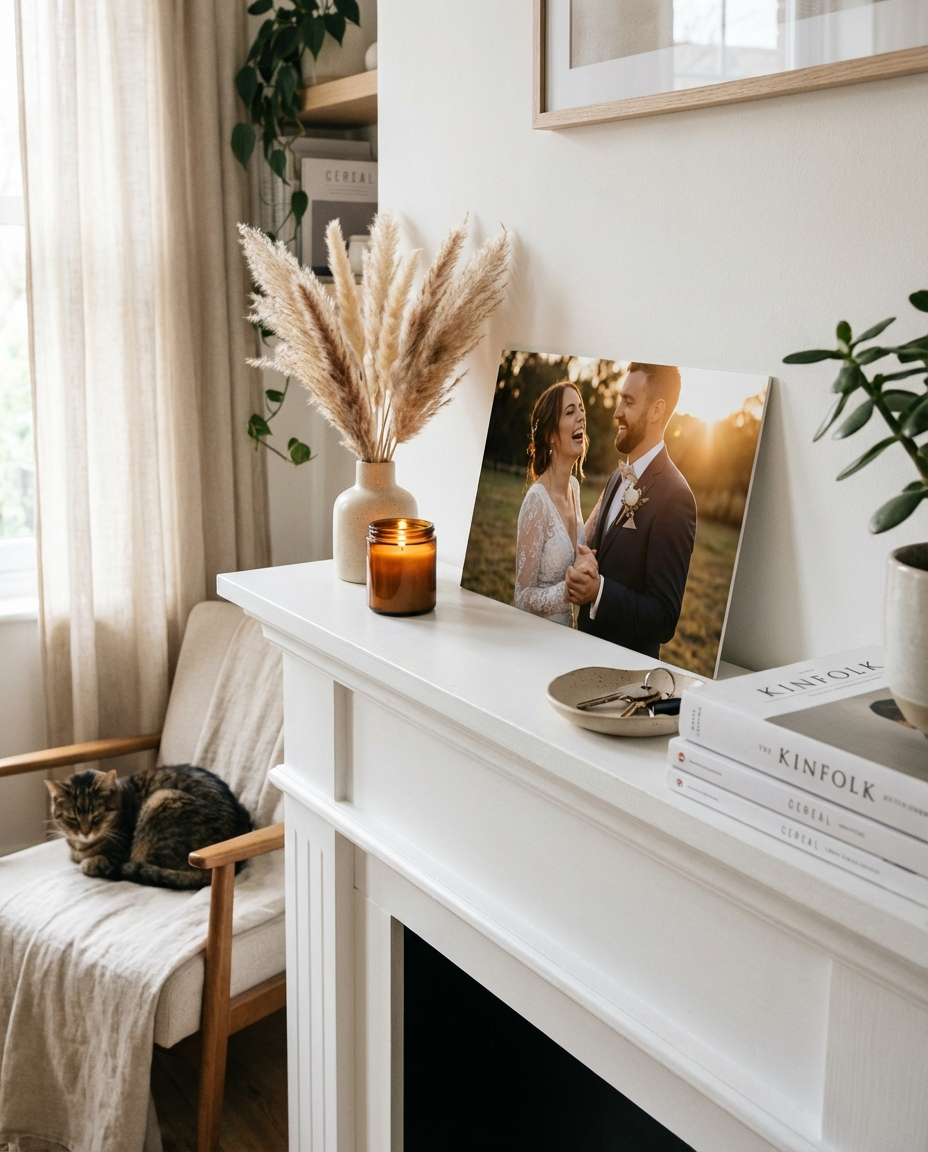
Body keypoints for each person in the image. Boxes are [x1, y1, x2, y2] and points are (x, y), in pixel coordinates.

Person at [566, 363, 696, 658]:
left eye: (629, 401)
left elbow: (664, 617)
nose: (616, 412)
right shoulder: (617, 477)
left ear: (655, 411)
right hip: (582, 649)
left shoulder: (676, 497)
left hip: (623, 672)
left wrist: (599, 592)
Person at [514, 381, 589, 627]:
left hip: (568, 634)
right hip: (538, 639)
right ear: (551, 436)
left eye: (580, 409)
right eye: (570, 411)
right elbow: (521, 597)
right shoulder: (537, 501)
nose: (581, 416)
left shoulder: (574, 488)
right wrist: (565, 591)